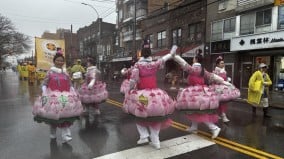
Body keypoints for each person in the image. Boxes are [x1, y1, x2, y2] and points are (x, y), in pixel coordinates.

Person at [123, 42, 177, 149]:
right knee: (155, 117)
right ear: (150, 54)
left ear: (141, 54)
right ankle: (155, 141)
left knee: (140, 114)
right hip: (155, 94)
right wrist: (171, 53)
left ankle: (144, 136)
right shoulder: (154, 64)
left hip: (142, 95)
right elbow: (163, 59)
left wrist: (128, 90)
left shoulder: (138, 65)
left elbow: (133, 80)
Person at [173, 52, 233, 139]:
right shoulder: (202, 70)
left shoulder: (193, 69)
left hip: (195, 93)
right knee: (194, 111)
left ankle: (214, 128)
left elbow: (183, 63)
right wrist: (225, 82)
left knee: (199, 113)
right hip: (202, 92)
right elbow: (214, 76)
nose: (193, 59)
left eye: (194, 58)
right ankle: (194, 127)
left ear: (196, 59)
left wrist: (175, 56)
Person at [32, 52, 83, 143]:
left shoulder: (65, 73)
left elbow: (70, 84)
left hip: (66, 97)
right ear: (54, 61)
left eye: (61, 61)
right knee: (54, 118)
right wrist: (44, 93)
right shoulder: (50, 72)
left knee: (65, 117)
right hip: (53, 98)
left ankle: (66, 136)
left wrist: (74, 91)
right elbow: (44, 84)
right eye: (58, 60)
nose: (60, 62)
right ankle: (53, 133)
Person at [78, 57, 108, 122]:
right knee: (87, 98)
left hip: (93, 86)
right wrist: (84, 82)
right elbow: (87, 78)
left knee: (93, 99)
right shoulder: (89, 69)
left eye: (88, 62)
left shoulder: (93, 70)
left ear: (91, 63)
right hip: (87, 85)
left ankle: (96, 109)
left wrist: (91, 84)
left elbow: (93, 78)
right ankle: (87, 109)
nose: (87, 63)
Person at [212, 56, 240, 122]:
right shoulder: (215, 71)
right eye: (221, 63)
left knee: (223, 102)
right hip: (218, 88)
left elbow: (224, 78)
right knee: (220, 102)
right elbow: (214, 80)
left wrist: (227, 80)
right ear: (218, 64)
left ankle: (221, 114)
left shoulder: (224, 71)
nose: (223, 64)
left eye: (223, 63)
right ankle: (222, 115)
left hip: (224, 88)